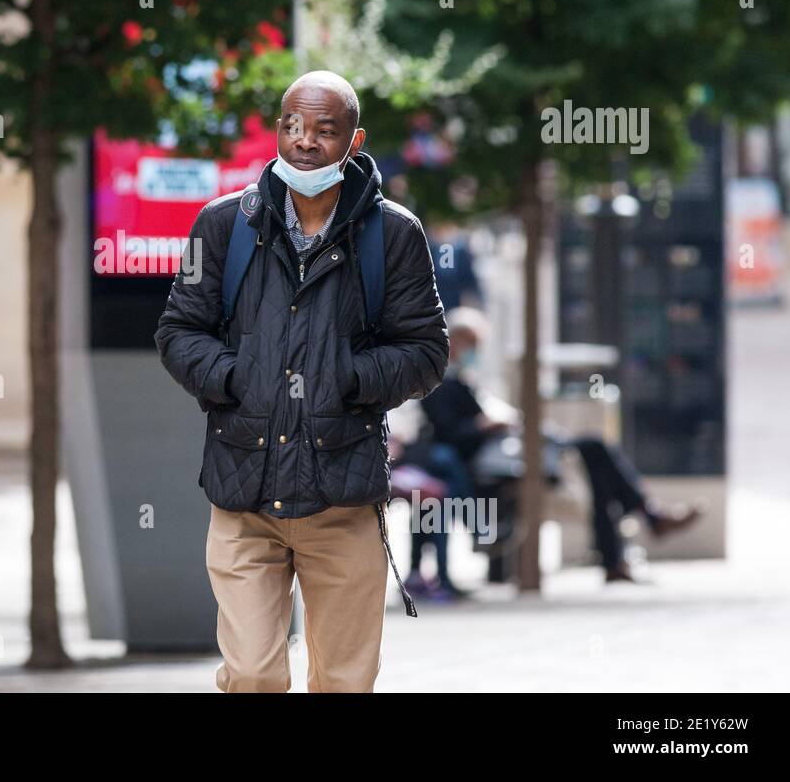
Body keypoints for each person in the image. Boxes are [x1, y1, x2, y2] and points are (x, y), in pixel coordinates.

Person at [155, 70, 448, 693]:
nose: (305, 141)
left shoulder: (393, 234)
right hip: (244, 493)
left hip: (342, 494)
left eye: (324, 129)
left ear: (354, 139)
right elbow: (178, 333)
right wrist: (235, 378)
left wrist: (346, 378)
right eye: (292, 126)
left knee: (344, 681)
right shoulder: (222, 225)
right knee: (254, 675)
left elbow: (425, 352)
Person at [421, 307, 701, 584]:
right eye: (471, 344)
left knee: (597, 466)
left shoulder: (465, 381)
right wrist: (486, 425)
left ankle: (628, 541)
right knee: (594, 453)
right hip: (496, 462)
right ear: (454, 341)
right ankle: (644, 520)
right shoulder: (439, 384)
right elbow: (450, 434)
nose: (474, 352)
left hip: (514, 449)